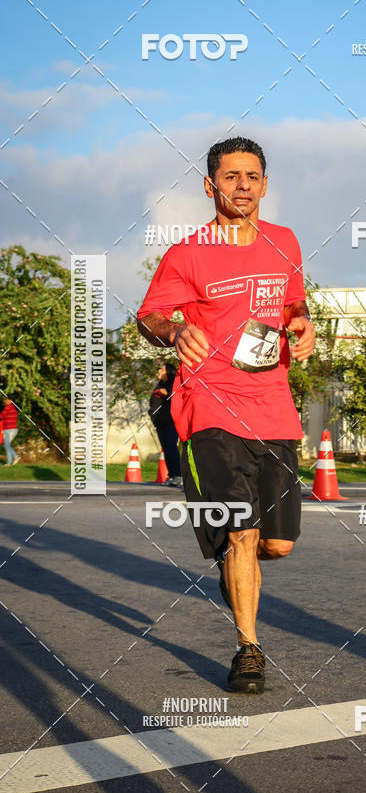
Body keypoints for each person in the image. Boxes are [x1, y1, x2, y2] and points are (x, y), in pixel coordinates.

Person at [137, 136, 315, 693]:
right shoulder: (187, 253)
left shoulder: (285, 242)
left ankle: (235, 562)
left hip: (274, 408)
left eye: (253, 176)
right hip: (208, 404)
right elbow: (149, 316)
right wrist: (173, 330)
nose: (244, 185)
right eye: (232, 176)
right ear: (210, 185)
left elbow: (293, 301)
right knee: (242, 532)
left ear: (265, 183)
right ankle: (248, 647)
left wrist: (302, 322)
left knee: (275, 543)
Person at [148, 362, 182, 486]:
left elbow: (178, 398)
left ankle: (178, 475)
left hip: (171, 422)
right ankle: (172, 475)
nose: (159, 371)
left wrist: (167, 393)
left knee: (171, 447)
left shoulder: (173, 384)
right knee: (166, 449)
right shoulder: (159, 384)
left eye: (161, 369)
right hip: (160, 422)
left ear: (168, 372)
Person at [1, 396, 19, 466]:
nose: (4, 401)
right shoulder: (14, 408)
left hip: (9, 429)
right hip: (13, 429)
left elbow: (1, 416)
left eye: (6, 399)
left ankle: (10, 461)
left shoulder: (8, 408)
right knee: (6, 445)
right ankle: (14, 458)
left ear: (10, 400)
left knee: (7, 445)